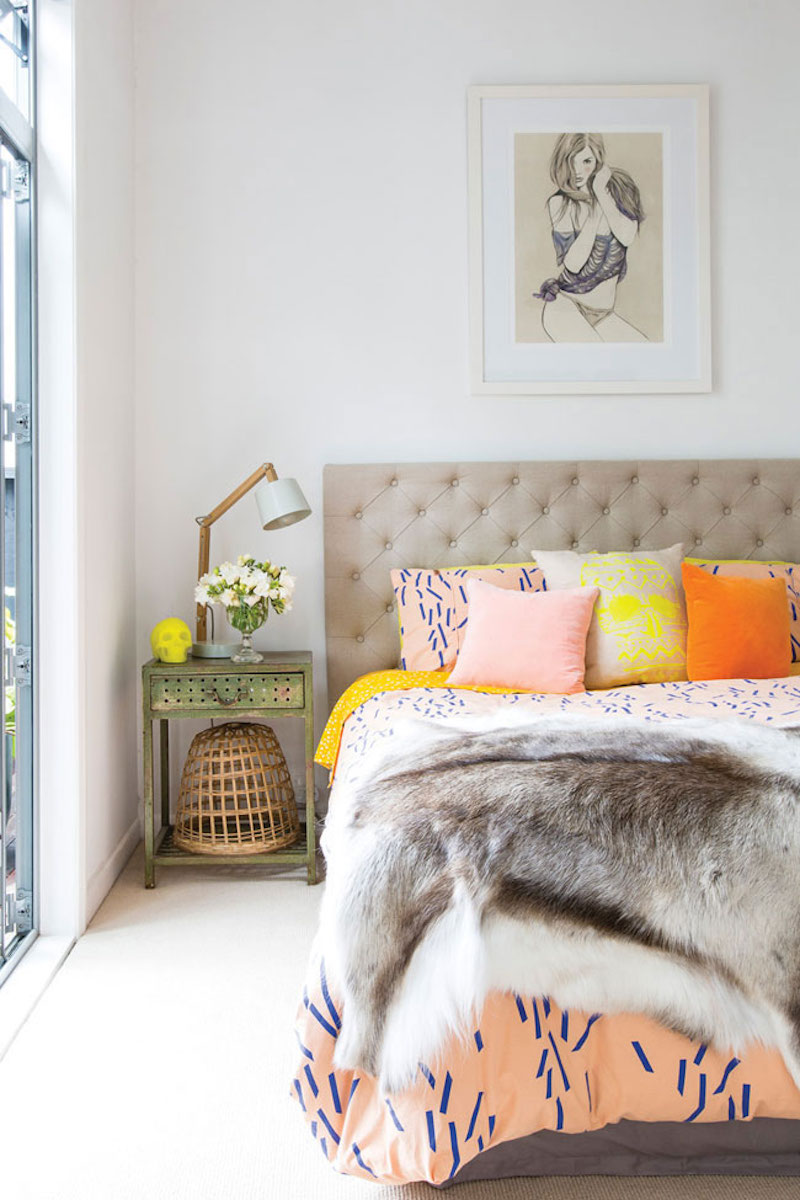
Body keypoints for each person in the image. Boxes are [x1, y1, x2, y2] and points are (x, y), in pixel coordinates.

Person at [535, 133, 646, 342]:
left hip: (605, 315)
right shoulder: (560, 203)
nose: (577, 171)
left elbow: (627, 236)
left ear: (598, 161)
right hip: (566, 306)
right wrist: (595, 212)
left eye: (586, 161)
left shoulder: (619, 189)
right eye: (571, 161)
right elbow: (573, 265)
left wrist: (601, 194)